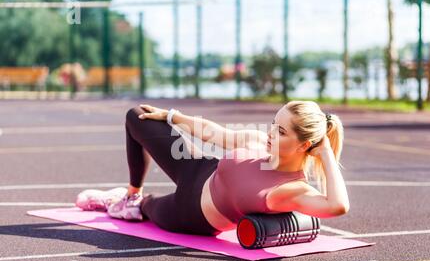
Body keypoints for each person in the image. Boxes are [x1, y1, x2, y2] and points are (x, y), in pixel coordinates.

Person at [76, 100, 350, 236]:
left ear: (304, 145)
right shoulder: (259, 141)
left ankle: (136, 204)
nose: (270, 133)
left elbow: (338, 205)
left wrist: (325, 152)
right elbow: (214, 134)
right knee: (137, 116)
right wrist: (171, 116)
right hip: (198, 168)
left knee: (145, 208)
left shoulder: (290, 189)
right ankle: (131, 192)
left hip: (191, 213)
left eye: (280, 131)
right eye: (273, 123)